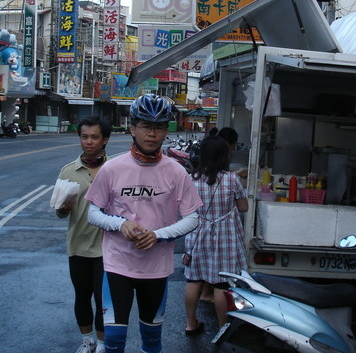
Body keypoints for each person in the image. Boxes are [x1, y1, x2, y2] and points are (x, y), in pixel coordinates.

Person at [86, 94, 202, 353]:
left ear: (165, 131)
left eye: (159, 127)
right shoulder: (112, 168)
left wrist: (158, 235)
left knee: (151, 341)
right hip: (117, 266)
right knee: (114, 343)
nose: (152, 133)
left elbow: (193, 218)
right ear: (132, 128)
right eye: (146, 126)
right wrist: (120, 224)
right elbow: (93, 213)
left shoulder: (175, 171)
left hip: (156, 269)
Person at [183, 131, 248, 332]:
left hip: (197, 233)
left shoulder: (190, 179)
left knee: (194, 279)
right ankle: (222, 328)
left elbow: (184, 208)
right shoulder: (232, 179)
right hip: (225, 236)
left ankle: (191, 323)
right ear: (224, 156)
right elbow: (243, 207)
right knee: (221, 285)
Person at [56, 116, 112, 353]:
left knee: (102, 300)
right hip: (78, 245)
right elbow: (60, 212)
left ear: (105, 140)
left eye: (94, 137)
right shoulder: (68, 171)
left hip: (107, 247)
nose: (88, 142)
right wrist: (63, 208)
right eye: (84, 137)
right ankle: (86, 340)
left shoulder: (114, 169)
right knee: (82, 296)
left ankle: (101, 343)